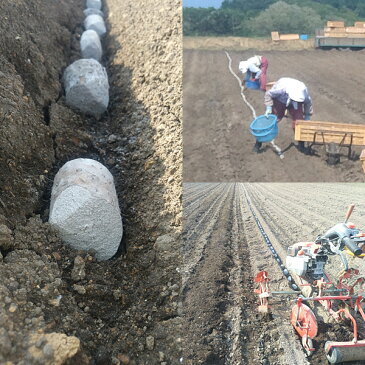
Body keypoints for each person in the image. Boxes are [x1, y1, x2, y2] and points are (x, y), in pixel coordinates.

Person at [253, 77, 313, 153]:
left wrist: (307, 115)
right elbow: (268, 94)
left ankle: (301, 145)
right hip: (280, 100)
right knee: (273, 119)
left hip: (295, 103)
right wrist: (269, 107)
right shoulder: (280, 89)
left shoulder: (303, 91)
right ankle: (258, 143)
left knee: (298, 122)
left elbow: (308, 102)